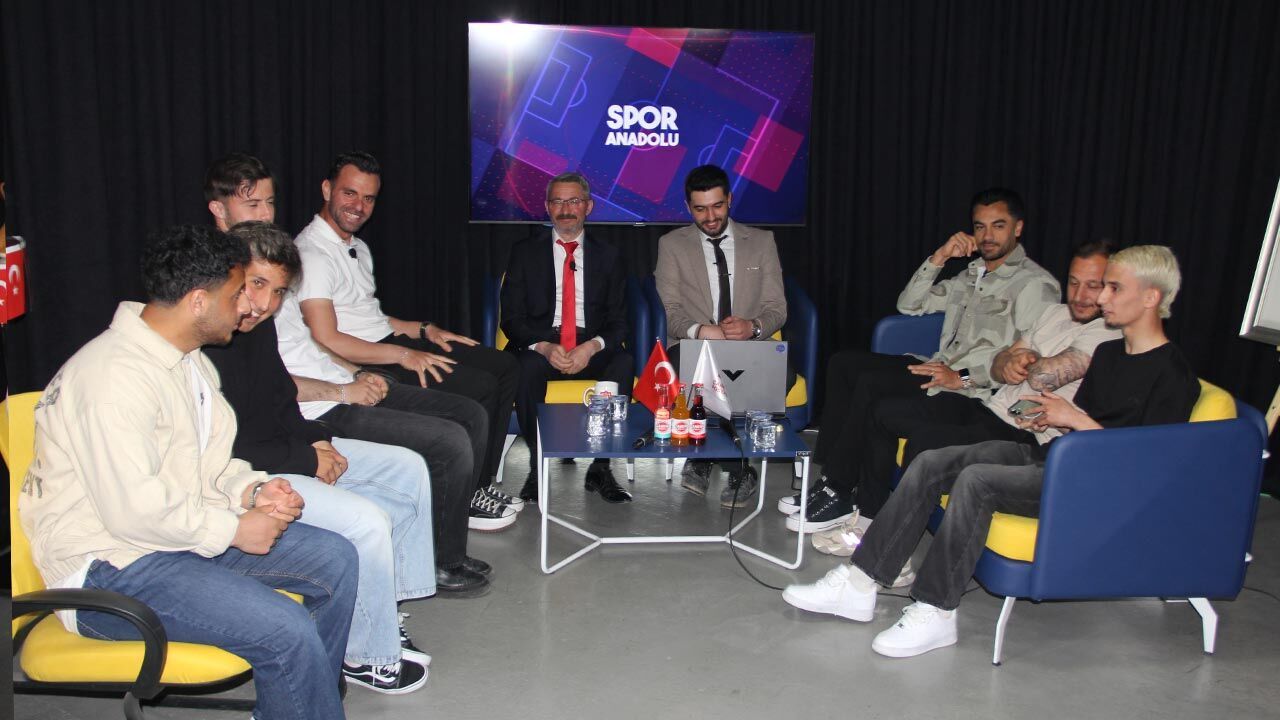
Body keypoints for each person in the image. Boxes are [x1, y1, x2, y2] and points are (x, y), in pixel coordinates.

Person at [782, 245, 1200, 659]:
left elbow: (1145, 466)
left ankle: (936, 610)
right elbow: (1085, 421)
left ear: (1151, 297)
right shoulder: (1109, 353)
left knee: (976, 480)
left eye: (1113, 288)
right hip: (1056, 456)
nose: (1102, 297)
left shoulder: (1173, 374)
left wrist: (1074, 420)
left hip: (1093, 481)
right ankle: (859, 584)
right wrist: (1051, 417)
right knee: (931, 462)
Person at [19, 225, 357, 720]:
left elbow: (208, 463)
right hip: (107, 570)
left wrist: (253, 490)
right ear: (199, 301)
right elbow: (133, 513)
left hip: (173, 541)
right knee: (284, 628)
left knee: (335, 559)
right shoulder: (111, 377)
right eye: (236, 294)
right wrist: (235, 529)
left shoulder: (187, 361)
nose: (247, 306)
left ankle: (301, 703)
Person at [202, 153, 497, 593]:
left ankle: (432, 561)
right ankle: (440, 561)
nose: (265, 215)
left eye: (270, 203)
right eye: (252, 204)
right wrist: (341, 396)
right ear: (218, 210)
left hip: (327, 391)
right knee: (448, 440)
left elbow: (310, 344)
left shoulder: (272, 265)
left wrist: (356, 372)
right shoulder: (225, 299)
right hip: (313, 409)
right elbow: (268, 394)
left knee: (469, 411)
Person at [204, 222, 433, 693]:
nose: (264, 303)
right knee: (367, 520)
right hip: (244, 477)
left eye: (277, 291)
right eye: (256, 284)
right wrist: (307, 460)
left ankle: (386, 609)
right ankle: (366, 655)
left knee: (408, 467)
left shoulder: (257, 327)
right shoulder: (210, 339)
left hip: (286, 451)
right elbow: (227, 450)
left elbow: (280, 400)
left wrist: (316, 440)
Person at [805, 241, 1121, 556]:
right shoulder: (1034, 304)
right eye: (1074, 283)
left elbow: (1036, 374)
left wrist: (974, 374)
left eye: (1093, 285)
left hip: (995, 408)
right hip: (978, 397)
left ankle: (882, 540)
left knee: (910, 425)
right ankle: (860, 513)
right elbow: (999, 363)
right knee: (878, 407)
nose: (1080, 295)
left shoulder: (1056, 302)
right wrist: (1008, 360)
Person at [276, 151, 522, 528]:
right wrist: (404, 355)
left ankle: (482, 481)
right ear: (327, 190)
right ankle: (470, 496)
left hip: (389, 341)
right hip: (367, 357)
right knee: (481, 386)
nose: (359, 206)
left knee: (504, 365)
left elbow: (372, 316)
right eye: (349, 193)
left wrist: (424, 330)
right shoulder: (311, 253)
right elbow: (326, 337)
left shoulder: (356, 247)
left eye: (369, 198)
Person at [796, 188, 1060, 533]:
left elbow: (1026, 362)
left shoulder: (1034, 285)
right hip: (936, 368)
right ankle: (830, 479)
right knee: (844, 363)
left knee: (871, 385)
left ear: (1018, 228)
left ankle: (839, 489)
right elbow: (909, 304)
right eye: (979, 227)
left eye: (998, 226)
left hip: (969, 390)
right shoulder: (972, 274)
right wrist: (940, 256)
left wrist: (962, 377)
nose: (987, 236)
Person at [654, 164, 790, 507]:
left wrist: (752, 327)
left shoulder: (761, 241)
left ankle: (711, 460)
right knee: (694, 376)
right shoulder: (671, 244)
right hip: (694, 345)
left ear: (729, 199)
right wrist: (705, 331)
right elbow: (670, 311)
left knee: (781, 374)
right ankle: (727, 464)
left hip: (750, 345)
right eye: (700, 209)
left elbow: (777, 308)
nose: (710, 217)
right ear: (688, 207)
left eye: (717, 206)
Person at [501, 172, 634, 503]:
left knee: (622, 363)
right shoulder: (524, 252)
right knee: (524, 367)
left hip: (590, 343)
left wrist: (591, 347)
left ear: (588, 206)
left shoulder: (610, 255)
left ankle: (601, 467)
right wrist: (544, 347)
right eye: (557, 201)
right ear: (547, 207)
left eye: (573, 201)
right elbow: (511, 319)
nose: (565, 209)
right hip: (543, 344)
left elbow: (620, 322)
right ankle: (537, 465)